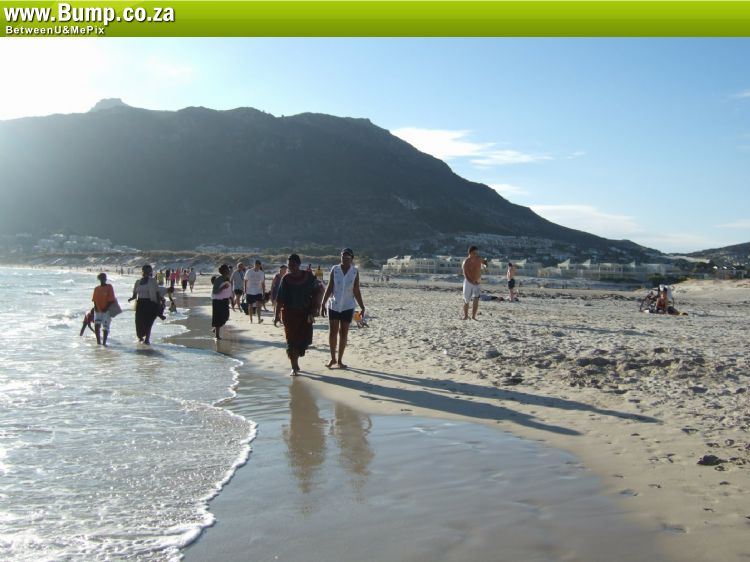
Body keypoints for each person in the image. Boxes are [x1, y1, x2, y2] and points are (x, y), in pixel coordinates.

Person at [321, 247, 365, 369]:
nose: (344, 259)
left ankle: (340, 360)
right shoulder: (335, 269)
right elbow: (330, 287)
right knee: (332, 332)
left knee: (343, 333)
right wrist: (323, 303)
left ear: (352, 258)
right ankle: (332, 359)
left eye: (347, 257)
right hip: (334, 305)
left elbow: (356, 290)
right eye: (342, 257)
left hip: (348, 306)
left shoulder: (355, 272)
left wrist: (362, 306)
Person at [274, 254, 318, 376]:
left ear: (299, 264)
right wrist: (276, 316)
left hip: (305, 314)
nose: (291, 268)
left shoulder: (308, 277)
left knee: (303, 341)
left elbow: (318, 289)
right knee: (291, 341)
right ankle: (294, 366)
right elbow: (280, 299)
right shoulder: (286, 279)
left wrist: (316, 307)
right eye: (289, 265)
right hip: (289, 315)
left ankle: (296, 360)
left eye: (293, 265)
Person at [128, 264, 162, 345]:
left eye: (149, 270)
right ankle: (140, 337)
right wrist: (131, 299)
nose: (147, 272)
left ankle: (147, 339)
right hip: (140, 304)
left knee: (149, 322)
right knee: (138, 322)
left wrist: (159, 304)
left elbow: (157, 293)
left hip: (150, 303)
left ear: (150, 271)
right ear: (142, 271)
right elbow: (134, 295)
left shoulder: (153, 281)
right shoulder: (138, 282)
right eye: (145, 270)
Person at [92, 272, 117, 346]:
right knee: (96, 326)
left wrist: (106, 308)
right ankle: (98, 343)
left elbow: (111, 300)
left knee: (105, 328)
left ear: (106, 279)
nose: (103, 279)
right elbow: (94, 299)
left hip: (107, 311)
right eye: (101, 278)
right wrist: (96, 307)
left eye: (104, 278)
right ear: (99, 279)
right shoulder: (96, 289)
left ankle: (104, 343)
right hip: (98, 311)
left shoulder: (109, 287)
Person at [462, 245, 486, 320]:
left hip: (477, 282)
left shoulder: (479, 259)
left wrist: (485, 265)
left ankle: (473, 316)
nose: (476, 254)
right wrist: (471, 281)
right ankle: (466, 316)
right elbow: (465, 274)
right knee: (466, 300)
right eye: (474, 253)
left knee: (476, 298)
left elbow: (485, 263)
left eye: (477, 253)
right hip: (468, 282)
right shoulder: (466, 262)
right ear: (470, 253)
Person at [211, 264, 232, 340]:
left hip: (225, 300)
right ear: (224, 271)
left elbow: (229, 289)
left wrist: (231, 298)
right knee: (218, 317)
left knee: (226, 316)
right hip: (217, 300)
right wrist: (223, 287)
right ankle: (217, 335)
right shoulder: (218, 280)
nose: (229, 271)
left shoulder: (227, 279)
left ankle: (216, 328)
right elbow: (215, 291)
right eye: (227, 269)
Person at [244, 259, 266, 323]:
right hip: (249, 291)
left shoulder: (261, 272)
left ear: (260, 265)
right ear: (254, 265)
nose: (257, 267)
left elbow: (263, 283)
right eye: (256, 265)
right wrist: (245, 290)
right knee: (250, 306)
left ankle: (259, 319)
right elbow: (245, 280)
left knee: (258, 306)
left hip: (258, 291)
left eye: (258, 265)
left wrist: (263, 292)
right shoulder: (249, 271)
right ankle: (251, 319)